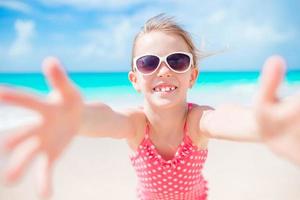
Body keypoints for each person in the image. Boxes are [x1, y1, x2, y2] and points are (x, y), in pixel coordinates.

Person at [0, 14, 299, 200]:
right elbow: (106, 118)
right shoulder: (136, 125)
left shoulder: (196, 123)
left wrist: (260, 125)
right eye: (148, 63)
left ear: (192, 75)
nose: (164, 70)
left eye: (177, 60)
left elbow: (225, 119)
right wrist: (77, 118)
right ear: (135, 79)